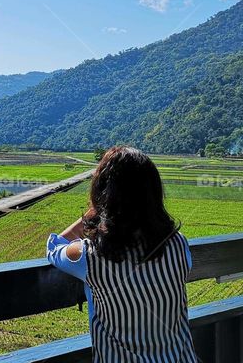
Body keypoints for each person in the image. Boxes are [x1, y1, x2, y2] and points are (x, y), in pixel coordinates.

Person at [47, 146, 197, 362]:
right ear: (154, 195)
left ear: (102, 195)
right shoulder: (178, 245)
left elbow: (54, 247)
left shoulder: (89, 255)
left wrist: (92, 214)